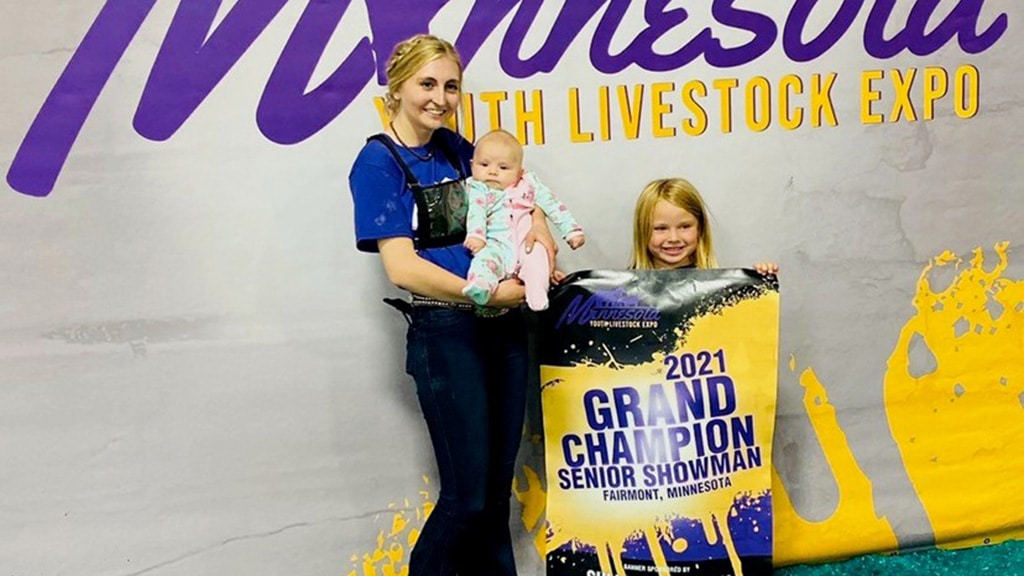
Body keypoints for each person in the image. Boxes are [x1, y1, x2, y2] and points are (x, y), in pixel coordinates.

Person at [347, 34, 554, 576]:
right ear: (397, 87)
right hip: (447, 333)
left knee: (494, 496)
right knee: (466, 497)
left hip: (503, 329)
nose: (439, 97)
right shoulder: (378, 162)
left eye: (451, 86)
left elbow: (523, 198)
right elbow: (402, 267)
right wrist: (487, 291)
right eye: (427, 84)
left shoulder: (458, 149)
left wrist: (541, 239)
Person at [463, 129, 585, 311]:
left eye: (503, 167)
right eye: (484, 165)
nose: (493, 172)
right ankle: (481, 285)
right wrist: (476, 236)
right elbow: (476, 213)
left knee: (538, 259)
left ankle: (537, 293)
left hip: (525, 242)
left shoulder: (528, 184)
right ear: (472, 165)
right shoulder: (477, 189)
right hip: (495, 245)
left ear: (519, 172)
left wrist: (571, 231)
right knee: (484, 261)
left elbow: (553, 204)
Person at [629, 178, 778, 274]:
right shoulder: (624, 290)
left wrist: (761, 281)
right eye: (661, 228)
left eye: (684, 226)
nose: (673, 238)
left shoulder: (719, 286)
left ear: (700, 229)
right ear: (642, 231)